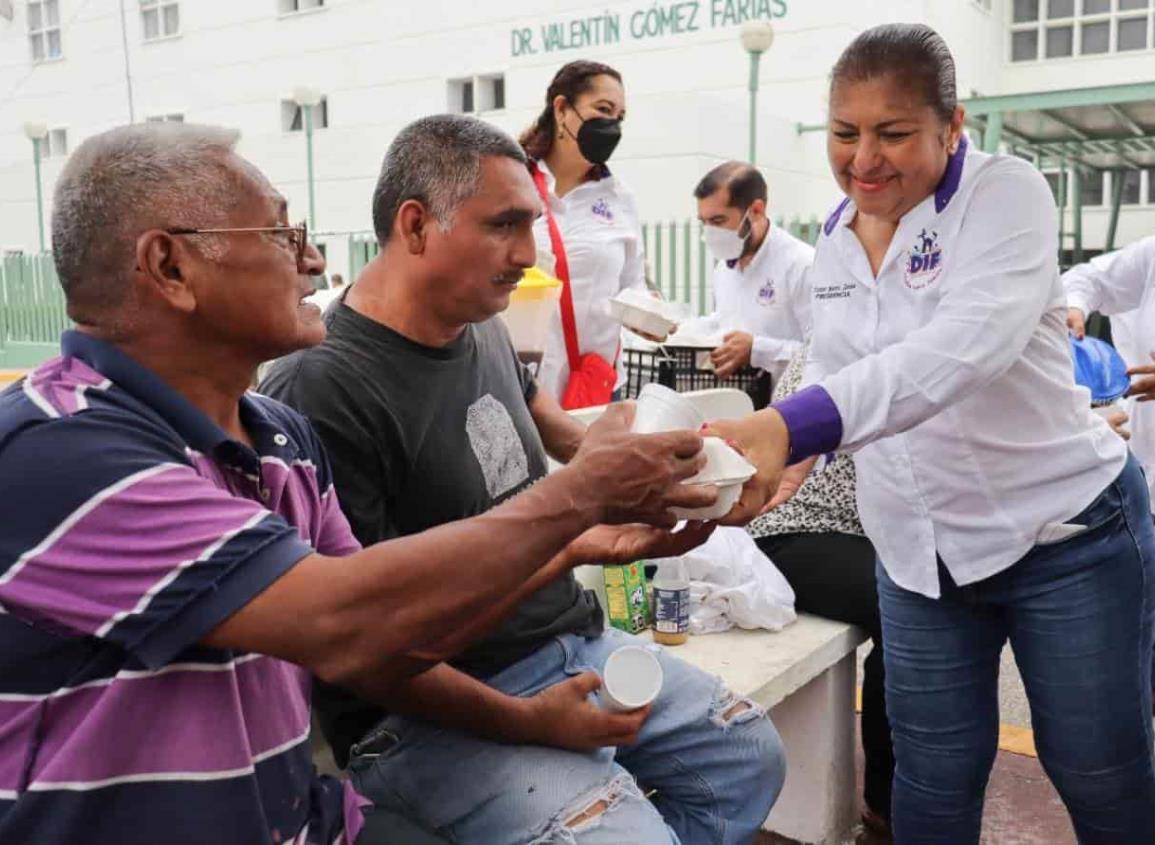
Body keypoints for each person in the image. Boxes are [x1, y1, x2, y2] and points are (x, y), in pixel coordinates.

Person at [0, 122, 721, 845]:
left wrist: (567, 551)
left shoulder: (279, 438)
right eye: (281, 233)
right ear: (171, 267)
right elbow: (347, 622)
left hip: (303, 822)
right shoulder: (61, 448)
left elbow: (388, 634)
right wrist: (577, 498)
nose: (314, 258)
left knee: (735, 757)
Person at [261, 114, 786, 845]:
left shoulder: (478, 321)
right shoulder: (321, 388)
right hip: (428, 709)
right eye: (504, 226)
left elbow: (550, 427)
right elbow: (367, 652)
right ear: (415, 226)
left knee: (746, 755)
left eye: (530, 224)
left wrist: (638, 454)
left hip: (566, 638)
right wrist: (530, 716)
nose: (527, 254)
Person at [711, 24, 1155, 843]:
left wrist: (783, 421)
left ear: (950, 127)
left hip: (1064, 536)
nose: (864, 158)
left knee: (1096, 766)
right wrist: (777, 467)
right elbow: (842, 374)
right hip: (917, 553)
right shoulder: (839, 242)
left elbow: (957, 354)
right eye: (845, 134)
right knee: (931, 775)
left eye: (893, 133)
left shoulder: (1004, 195)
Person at [748, 340, 894, 843]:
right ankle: (887, 803)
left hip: (840, 532)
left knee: (919, 606)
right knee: (908, 610)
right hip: (792, 531)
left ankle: (893, 793)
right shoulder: (860, 343)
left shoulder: (871, 335)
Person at [518, 60, 647, 403]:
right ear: (562, 109)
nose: (612, 126)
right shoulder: (514, 182)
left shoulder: (620, 199)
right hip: (522, 386)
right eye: (603, 110)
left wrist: (647, 312)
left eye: (619, 118)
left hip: (596, 387)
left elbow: (633, 285)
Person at [693, 162, 814, 382]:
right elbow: (724, 323)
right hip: (736, 405)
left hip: (788, 409)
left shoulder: (802, 265)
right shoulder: (724, 268)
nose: (710, 233)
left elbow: (823, 356)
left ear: (757, 211)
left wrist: (758, 350)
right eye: (704, 222)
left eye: (718, 221)